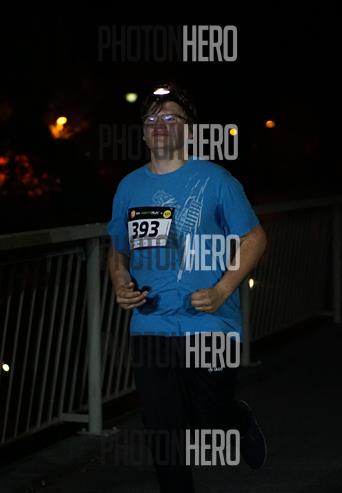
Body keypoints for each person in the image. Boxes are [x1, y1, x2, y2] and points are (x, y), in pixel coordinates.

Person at [106, 82, 268, 493]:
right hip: (150, 323)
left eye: (169, 117)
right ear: (143, 133)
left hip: (208, 321)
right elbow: (118, 250)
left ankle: (236, 420)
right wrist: (121, 281)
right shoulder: (129, 187)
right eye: (150, 119)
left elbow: (254, 238)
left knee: (210, 418)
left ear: (190, 130)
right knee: (162, 428)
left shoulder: (217, 180)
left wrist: (223, 290)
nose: (158, 124)